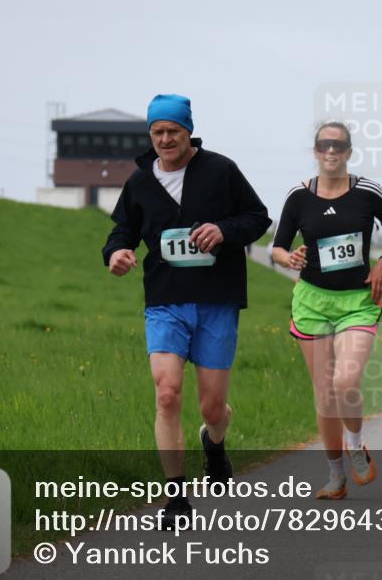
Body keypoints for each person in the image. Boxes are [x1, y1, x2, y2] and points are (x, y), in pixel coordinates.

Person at [102, 93, 271, 526]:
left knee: (213, 409)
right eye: (157, 132)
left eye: (173, 131)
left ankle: (214, 442)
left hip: (216, 301)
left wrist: (224, 230)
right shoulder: (140, 183)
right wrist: (116, 252)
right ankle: (176, 497)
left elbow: (258, 217)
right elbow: (122, 231)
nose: (165, 139)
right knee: (167, 392)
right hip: (165, 302)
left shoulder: (221, 170)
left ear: (188, 131)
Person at [272, 122, 382, 500]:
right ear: (315, 151)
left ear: (349, 151)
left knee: (345, 382)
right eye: (324, 145)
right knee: (325, 395)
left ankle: (356, 443)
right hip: (312, 301)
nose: (331, 151)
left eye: (338, 145)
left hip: (357, 301)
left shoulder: (367, 191)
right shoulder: (299, 196)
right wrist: (288, 258)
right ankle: (335, 477)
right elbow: (277, 246)